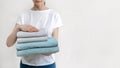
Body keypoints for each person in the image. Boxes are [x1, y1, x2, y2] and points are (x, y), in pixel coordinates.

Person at [6, 0, 63, 68]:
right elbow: (9, 43)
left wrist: (35, 47)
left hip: (47, 64)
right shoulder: (24, 15)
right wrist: (19, 27)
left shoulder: (54, 15)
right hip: (26, 65)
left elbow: (54, 45)